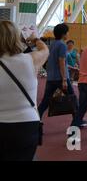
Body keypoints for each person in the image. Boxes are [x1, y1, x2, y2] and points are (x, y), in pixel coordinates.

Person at [0, 21, 49, 161]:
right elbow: (45, 51)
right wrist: (35, 39)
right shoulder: (30, 60)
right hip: (26, 124)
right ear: (17, 37)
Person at [37, 23, 83, 127]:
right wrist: (64, 80)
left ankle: (36, 119)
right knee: (73, 99)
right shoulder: (62, 45)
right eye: (67, 32)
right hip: (60, 78)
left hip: (51, 78)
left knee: (46, 101)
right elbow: (61, 62)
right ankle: (77, 121)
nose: (68, 34)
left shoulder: (52, 44)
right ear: (63, 34)